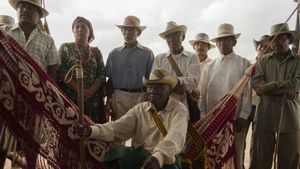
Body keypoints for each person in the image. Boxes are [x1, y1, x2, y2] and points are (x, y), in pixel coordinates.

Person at [75, 69, 189, 169]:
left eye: (160, 87)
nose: (154, 91)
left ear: (169, 91)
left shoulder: (179, 110)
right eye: (151, 87)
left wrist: (159, 157)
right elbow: (116, 129)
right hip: (141, 156)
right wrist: (91, 130)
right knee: (117, 154)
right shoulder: (140, 109)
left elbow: (175, 137)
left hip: (166, 158)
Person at [199, 23, 252, 169]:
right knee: (213, 156)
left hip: (235, 120)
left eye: (227, 39)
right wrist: (204, 116)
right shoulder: (210, 66)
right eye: (220, 41)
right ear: (216, 44)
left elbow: (247, 92)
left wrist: (243, 116)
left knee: (236, 155)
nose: (222, 43)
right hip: (213, 120)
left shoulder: (243, 63)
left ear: (234, 42)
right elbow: (203, 94)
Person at [251, 23, 300, 169]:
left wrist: (270, 86)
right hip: (265, 116)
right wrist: (281, 86)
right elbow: (258, 87)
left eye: (282, 38)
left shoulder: (298, 61)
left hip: (290, 117)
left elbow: (297, 83)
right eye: (274, 39)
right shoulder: (263, 61)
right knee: (260, 160)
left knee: (290, 161)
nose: (277, 42)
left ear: (289, 40)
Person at [57, 16, 107, 123]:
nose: (80, 30)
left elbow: (102, 75)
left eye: (84, 27)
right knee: (71, 128)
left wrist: (89, 92)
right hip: (71, 97)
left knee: (91, 130)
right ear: (73, 31)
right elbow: (61, 72)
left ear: (89, 32)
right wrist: (80, 90)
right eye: (77, 27)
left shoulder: (96, 52)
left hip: (91, 99)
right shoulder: (65, 47)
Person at [106, 15, 154, 120]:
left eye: (132, 30)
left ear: (138, 32)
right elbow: (109, 80)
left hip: (140, 97)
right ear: (122, 32)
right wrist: (108, 100)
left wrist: (150, 101)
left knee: (140, 131)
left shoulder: (147, 53)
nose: (128, 33)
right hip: (119, 98)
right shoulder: (114, 53)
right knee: (118, 132)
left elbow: (150, 81)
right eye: (125, 29)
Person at [152, 21, 200, 123]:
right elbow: (154, 82)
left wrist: (176, 81)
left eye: (175, 35)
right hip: (163, 109)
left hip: (185, 107)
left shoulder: (192, 57)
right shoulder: (159, 59)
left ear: (182, 37)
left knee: (183, 136)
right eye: (168, 36)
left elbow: (194, 81)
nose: (170, 39)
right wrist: (178, 83)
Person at [2, 0, 60, 81]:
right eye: (22, 6)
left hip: (36, 91)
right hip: (7, 89)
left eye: (31, 8)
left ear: (39, 15)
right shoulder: (3, 33)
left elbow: (53, 68)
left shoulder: (48, 40)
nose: (25, 10)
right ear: (17, 10)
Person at [248, 34, 272, 168]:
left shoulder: (272, 66)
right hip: (248, 107)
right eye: (260, 46)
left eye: (266, 46)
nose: (262, 48)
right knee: (244, 142)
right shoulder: (249, 63)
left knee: (257, 141)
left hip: (262, 107)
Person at [189, 33, 215, 117]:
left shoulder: (213, 65)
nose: (200, 47)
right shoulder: (188, 63)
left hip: (207, 106)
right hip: (189, 104)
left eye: (203, 45)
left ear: (208, 48)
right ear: (194, 47)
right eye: (197, 44)